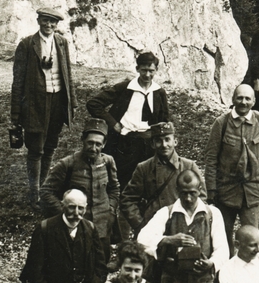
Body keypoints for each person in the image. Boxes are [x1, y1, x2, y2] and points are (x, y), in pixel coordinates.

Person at [205, 84, 259, 244]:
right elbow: (211, 158)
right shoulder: (222, 123)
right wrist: (211, 192)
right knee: (222, 240)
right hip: (225, 191)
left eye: (247, 99)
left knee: (251, 239)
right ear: (233, 99)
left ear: (253, 101)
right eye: (240, 98)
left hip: (251, 191)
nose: (243, 102)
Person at [10, 3, 75, 204]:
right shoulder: (27, 44)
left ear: (56, 25)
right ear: (38, 21)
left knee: (50, 146)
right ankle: (34, 191)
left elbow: (68, 74)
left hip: (57, 100)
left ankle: (44, 187)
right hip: (35, 103)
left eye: (53, 21)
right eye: (45, 20)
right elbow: (18, 80)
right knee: (36, 147)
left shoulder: (62, 43)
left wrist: (72, 101)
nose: (49, 24)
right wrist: (15, 112)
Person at [87, 50, 171, 181]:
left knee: (148, 179)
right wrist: (113, 123)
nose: (147, 75)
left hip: (150, 145)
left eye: (151, 71)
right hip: (125, 143)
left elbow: (165, 119)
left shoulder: (159, 92)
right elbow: (94, 104)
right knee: (123, 179)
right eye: (143, 70)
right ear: (137, 69)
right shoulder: (125, 89)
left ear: (156, 70)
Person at [41, 119, 120, 240]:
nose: (93, 148)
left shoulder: (108, 162)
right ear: (83, 140)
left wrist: (111, 209)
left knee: (102, 257)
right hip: (75, 228)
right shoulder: (67, 164)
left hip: (103, 228)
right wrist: (66, 213)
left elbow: (114, 188)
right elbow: (46, 192)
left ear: (104, 144)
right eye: (90, 143)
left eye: (98, 144)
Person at [122, 122, 205, 235]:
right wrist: (140, 224)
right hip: (152, 227)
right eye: (158, 141)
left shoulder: (188, 166)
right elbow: (127, 199)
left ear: (175, 141)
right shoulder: (144, 168)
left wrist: (192, 223)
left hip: (181, 227)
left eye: (167, 139)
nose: (164, 144)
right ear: (152, 144)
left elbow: (202, 198)